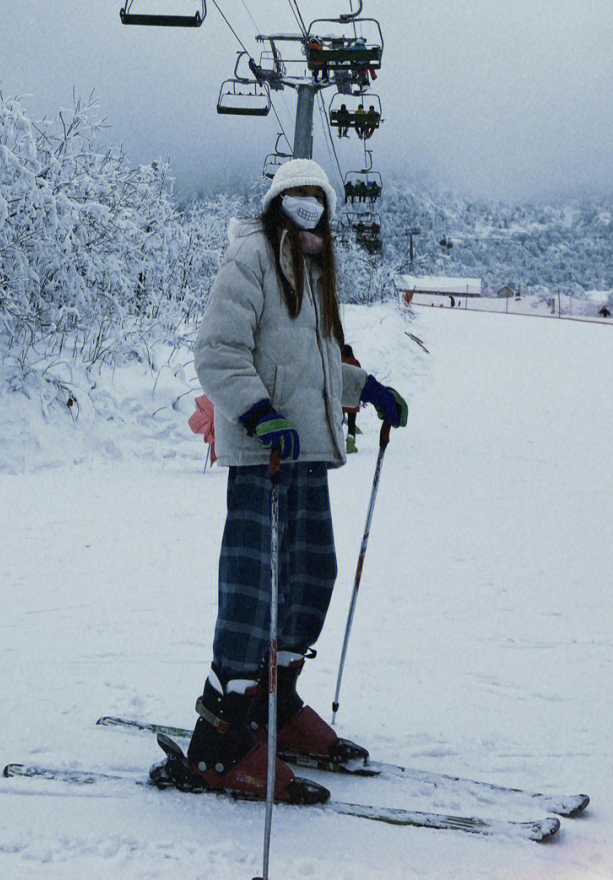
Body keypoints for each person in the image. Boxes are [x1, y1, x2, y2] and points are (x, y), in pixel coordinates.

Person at [171, 159, 409, 802]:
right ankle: (220, 741)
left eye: (319, 204)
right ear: (278, 204)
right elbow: (217, 350)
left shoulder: (313, 273)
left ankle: (278, 710)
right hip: (264, 453)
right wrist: (257, 414)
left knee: (311, 576)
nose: (310, 213)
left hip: (304, 453)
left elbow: (321, 364)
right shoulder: (249, 257)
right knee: (254, 592)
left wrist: (368, 389)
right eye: (297, 202)